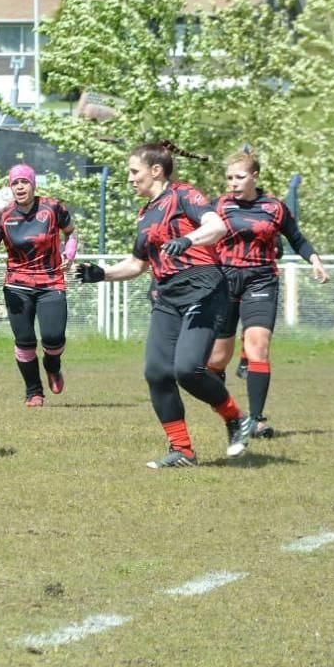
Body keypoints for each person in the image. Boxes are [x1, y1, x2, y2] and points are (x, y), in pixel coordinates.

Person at [73, 141, 249, 468]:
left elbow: (216, 226)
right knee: (156, 373)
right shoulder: (145, 214)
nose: (129, 178)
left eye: (133, 171)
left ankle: (236, 417)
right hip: (168, 297)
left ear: (156, 171)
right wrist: (102, 274)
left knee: (188, 370)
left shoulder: (184, 195)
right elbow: (137, 264)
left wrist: (187, 239)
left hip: (204, 289)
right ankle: (182, 451)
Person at [207, 150, 330, 442]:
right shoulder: (220, 206)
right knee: (216, 360)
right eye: (229, 177)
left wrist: (314, 260)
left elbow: (296, 239)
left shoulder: (275, 208)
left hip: (261, 280)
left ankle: (255, 420)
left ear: (255, 176)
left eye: (239, 177)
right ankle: (232, 414)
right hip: (223, 282)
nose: (233, 183)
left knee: (258, 346)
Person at [0, 163, 78, 406]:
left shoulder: (53, 207)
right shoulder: (3, 215)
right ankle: (34, 391)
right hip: (17, 284)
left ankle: (53, 366)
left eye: (24, 182)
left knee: (53, 338)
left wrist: (69, 255)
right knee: (24, 341)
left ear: (33, 184)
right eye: (15, 183)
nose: (20, 187)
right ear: (10, 187)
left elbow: (72, 233)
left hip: (51, 280)